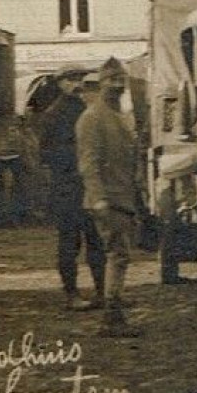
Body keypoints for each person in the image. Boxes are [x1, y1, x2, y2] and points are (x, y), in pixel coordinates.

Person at [76, 62, 143, 337]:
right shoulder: (92, 118)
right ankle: (111, 317)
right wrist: (99, 197)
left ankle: (112, 312)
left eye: (121, 81)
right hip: (106, 199)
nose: (117, 86)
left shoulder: (119, 117)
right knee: (118, 256)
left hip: (122, 197)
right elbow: (88, 163)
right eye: (111, 81)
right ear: (100, 84)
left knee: (119, 256)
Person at [39, 64, 105, 311]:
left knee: (96, 240)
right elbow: (44, 153)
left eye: (79, 79)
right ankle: (71, 294)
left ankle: (101, 291)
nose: (76, 84)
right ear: (60, 83)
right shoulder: (53, 115)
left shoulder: (88, 110)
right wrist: (75, 156)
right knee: (69, 242)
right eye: (71, 80)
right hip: (67, 186)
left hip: (88, 185)